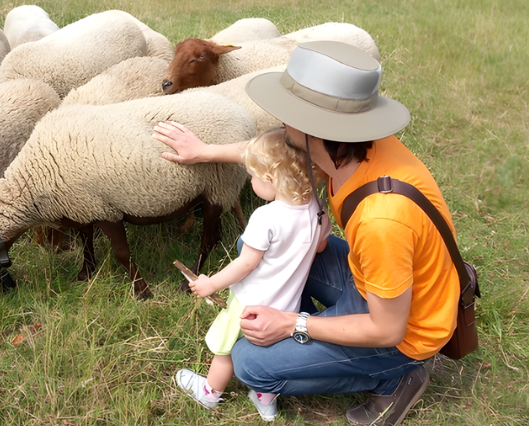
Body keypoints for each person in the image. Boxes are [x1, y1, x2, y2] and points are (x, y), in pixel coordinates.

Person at [153, 40, 460, 426]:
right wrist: (205, 151)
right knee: (253, 248)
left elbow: (387, 327)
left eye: (288, 116)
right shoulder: (353, 147)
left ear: (318, 129)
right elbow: (275, 154)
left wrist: (290, 324)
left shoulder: (382, 218)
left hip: (403, 330)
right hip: (378, 279)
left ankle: (395, 375)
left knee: (251, 363)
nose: (280, 121)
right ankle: (321, 330)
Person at [174, 128, 329, 421]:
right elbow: (320, 247)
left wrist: (211, 283)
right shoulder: (318, 209)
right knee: (268, 349)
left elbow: (245, 264)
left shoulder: (266, 217)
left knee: (227, 348)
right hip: (285, 307)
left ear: (271, 179)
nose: (252, 180)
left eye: (254, 176)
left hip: (249, 301)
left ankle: (209, 393)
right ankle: (264, 398)